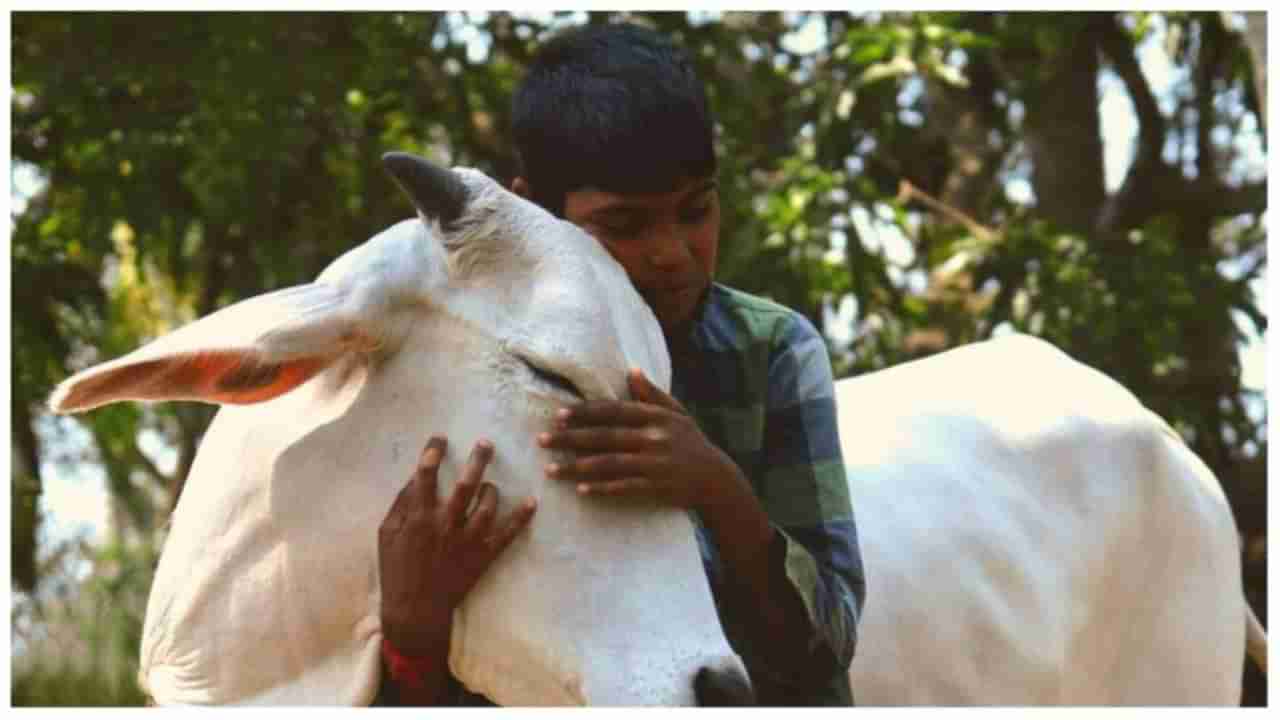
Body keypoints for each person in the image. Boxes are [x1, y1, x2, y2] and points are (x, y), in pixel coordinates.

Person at [376, 21, 864, 706]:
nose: (673, 251)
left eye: (696, 210)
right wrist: (410, 629)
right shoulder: (461, 370)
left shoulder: (772, 354)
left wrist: (717, 489)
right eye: (625, 225)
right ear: (533, 210)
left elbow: (831, 643)